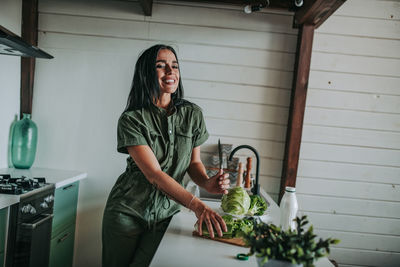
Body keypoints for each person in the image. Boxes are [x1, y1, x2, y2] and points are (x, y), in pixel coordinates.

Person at [102, 44, 230, 267]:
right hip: (127, 212)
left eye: (175, 66)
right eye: (161, 66)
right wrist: (198, 206)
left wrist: (207, 183)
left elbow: (194, 163)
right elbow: (154, 174)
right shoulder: (132, 120)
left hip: (166, 216)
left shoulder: (193, 114)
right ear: (146, 74)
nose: (170, 72)